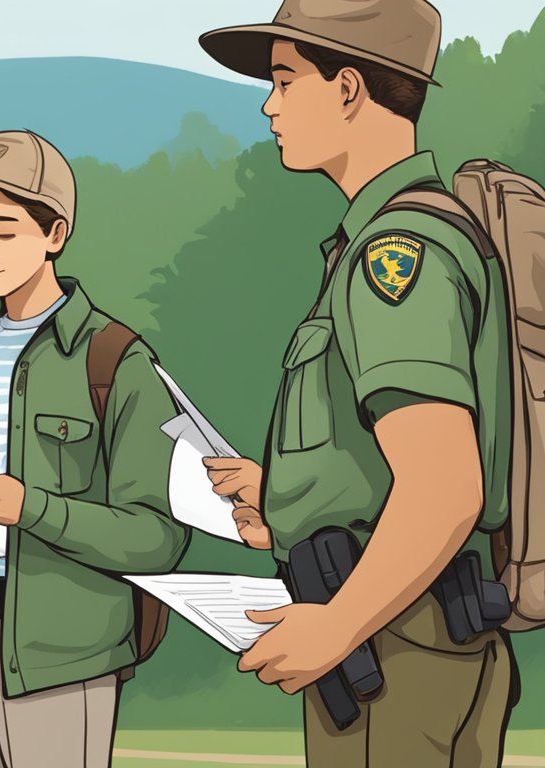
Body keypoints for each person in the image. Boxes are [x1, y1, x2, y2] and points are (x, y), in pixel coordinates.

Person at [198, 1, 516, 764]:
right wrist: (286, 502)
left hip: (393, 649)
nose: (268, 105)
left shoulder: (395, 256)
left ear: (347, 90)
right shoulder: (395, 239)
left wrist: (339, 626)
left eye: (283, 79)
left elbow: (444, 487)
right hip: (408, 635)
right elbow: (390, 460)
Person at [0, 129, 189, 767]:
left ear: (55, 235)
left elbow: (158, 538)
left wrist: (35, 509)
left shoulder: (114, 359)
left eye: (4, 229)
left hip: (60, 658)